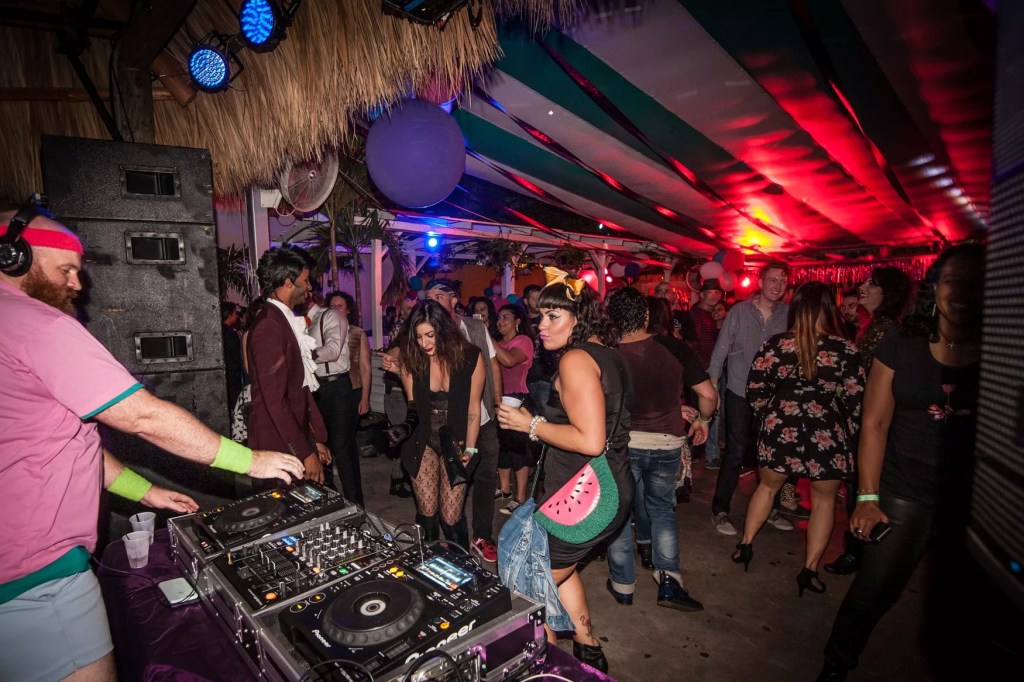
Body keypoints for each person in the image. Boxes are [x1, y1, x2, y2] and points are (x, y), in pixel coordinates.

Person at [0, 209, 304, 681]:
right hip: (38, 580)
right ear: (15, 257)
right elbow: (143, 416)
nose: (77, 284)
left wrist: (147, 493)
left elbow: (61, 443)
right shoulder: (38, 324)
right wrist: (250, 459)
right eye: (65, 270)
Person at [818, 244, 986, 681]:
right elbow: (873, 423)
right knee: (874, 589)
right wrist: (868, 496)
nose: (963, 292)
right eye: (953, 281)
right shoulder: (902, 343)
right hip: (902, 490)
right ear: (936, 287)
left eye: (975, 281)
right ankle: (836, 665)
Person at [497, 267, 634, 674]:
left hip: (586, 496)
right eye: (540, 316)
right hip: (612, 487)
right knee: (556, 569)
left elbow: (591, 440)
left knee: (528, 589)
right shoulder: (609, 354)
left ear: (579, 318)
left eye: (553, 316)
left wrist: (531, 425)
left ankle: (548, 671)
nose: (542, 325)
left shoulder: (575, 359)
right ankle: (589, 648)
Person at [734, 282, 865, 596]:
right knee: (824, 502)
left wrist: (771, 415)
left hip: (783, 425)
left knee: (767, 488)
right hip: (826, 431)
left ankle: (746, 545)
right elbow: (854, 399)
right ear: (829, 309)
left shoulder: (775, 344)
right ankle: (809, 571)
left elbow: (755, 389)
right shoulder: (845, 348)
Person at [605, 287, 717, 612]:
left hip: (623, 445)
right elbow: (708, 396)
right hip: (665, 443)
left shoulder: (607, 354)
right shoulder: (673, 347)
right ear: (645, 315)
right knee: (662, 511)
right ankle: (669, 581)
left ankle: (622, 585)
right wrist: (703, 421)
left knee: (620, 515)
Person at [825, 268, 912, 576]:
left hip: (870, 418)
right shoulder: (876, 325)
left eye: (870, 284)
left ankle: (858, 551)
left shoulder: (886, 329)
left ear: (886, 293)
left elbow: (865, 379)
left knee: (862, 484)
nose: (861, 287)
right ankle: (858, 549)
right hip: (864, 415)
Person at [380, 301, 485, 549]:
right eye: (418, 337)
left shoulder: (471, 356)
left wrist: (471, 448)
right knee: (427, 512)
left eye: (430, 335)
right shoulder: (412, 359)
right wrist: (403, 428)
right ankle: (426, 561)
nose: (425, 343)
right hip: (422, 438)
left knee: (451, 515)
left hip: (457, 439)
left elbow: (473, 408)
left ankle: (462, 563)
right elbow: (414, 407)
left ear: (443, 330)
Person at [707, 261, 795, 535]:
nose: (777, 285)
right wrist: (712, 386)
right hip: (739, 391)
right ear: (760, 282)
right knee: (735, 452)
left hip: (774, 397)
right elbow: (721, 349)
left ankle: (771, 508)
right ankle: (720, 511)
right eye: (772, 280)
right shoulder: (740, 312)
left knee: (772, 455)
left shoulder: (789, 315)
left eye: (782, 280)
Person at [247, 247, 331, 485]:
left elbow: (299, 388)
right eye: (305, 281)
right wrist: (304, 453)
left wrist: (316, 439)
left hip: (291, 438)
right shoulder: (269, 326)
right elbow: (275, 401)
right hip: (276, 445)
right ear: (287, 282)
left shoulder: (281, 320)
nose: (309, 287)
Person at [492, 304, 535, 515]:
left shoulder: (523, 341)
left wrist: (487, 339)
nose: (500, 322)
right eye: (499, 318)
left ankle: (520, 497)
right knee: (503, 446)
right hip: (501, 400)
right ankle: (504, 489)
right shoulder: (499, 343)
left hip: (518, 399)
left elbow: (509, 361)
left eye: (506, 317)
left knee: (518, 449)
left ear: (517, 321)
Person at [690, 279, 725, 470]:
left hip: (711, 370)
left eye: (717, 292)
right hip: (703, 370)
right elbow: (695, 345)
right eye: (710, 292)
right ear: (702, 294)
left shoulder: (713, 316)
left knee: (711, 411)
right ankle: (707, 454)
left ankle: (703, 452)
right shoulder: (696, 314)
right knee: (709, 411)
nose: (714, 296)